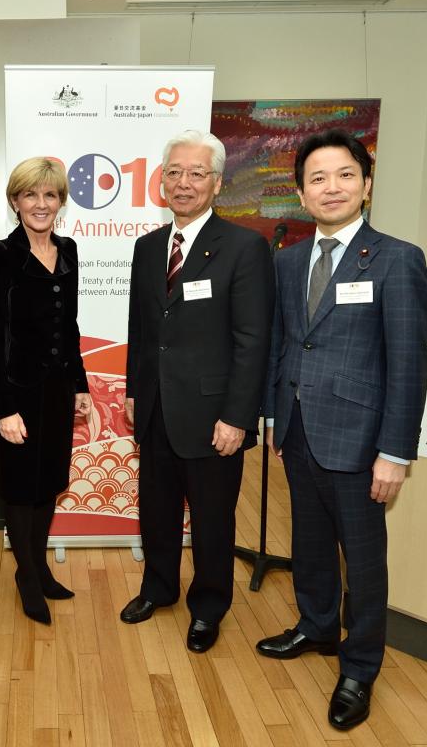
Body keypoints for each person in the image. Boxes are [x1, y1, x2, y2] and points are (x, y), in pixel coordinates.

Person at [256, 129, 427, 731]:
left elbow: (408, 363)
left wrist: (395, 452)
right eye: (317, 179)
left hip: (362, 440)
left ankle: (359, 665)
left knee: (364, 557)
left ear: (365, 183)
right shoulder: (285, 261)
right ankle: (314, 625)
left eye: (344, 175)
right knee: (307, 542)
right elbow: (284, 344)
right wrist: (276, 419)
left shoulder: (396, 258)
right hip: (299, 430)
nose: (331, 188)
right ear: (302, 195)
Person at [120, 129, 274, 653]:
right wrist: (135, 391)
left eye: (196, 174)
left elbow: (253, 342)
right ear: (160, 181)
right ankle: (158, 589)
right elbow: (141, 329)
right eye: (174, 173)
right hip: (156, 407)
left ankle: (208, 607)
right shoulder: (146, 248)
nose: (183, 183)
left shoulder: (245, 247)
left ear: (216, 182)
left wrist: (238, 417)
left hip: (214, 416)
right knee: (156, 510)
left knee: (212, 520)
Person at [0, 158, 91, 624]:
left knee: (48, 484)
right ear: (15, 202)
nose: (41, 204)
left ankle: (38, 567)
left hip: (60, 391)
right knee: (20, 488)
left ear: (61, 202)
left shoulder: (69, 249)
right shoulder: (1, 253)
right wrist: (3, 406)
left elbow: (71, 325)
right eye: (31, 195)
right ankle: (26, 575)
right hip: (19, 394)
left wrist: (80, 383)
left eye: (50, 195)